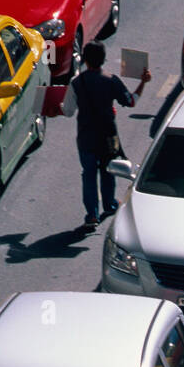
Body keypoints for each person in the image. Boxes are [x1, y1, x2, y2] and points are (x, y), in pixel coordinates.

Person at [60, 40, 151, 230]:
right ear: (103, 60)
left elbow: (68, 111)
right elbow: (131, 101)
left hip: (86, 138)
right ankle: (109, 204)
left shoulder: (76, 82)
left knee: (89, 175)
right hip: (109, 137)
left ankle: (92, 215)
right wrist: (143, 82)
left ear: (85, 60)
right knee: (109, 170)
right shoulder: (112, 80)